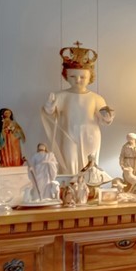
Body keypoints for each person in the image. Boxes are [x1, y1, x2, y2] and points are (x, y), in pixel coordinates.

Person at [42, 43, 114, 175]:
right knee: (70, 161)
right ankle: (72, 188)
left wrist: (107, 118)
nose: (78, 80)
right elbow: (50, 114)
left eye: (83, 77)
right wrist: (49, 107)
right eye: (73, 77)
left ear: (90, 77)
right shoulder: (61, 96)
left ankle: (90, 187)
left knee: (90, 163)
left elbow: (103, 118)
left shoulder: (96, 98)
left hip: (91, 135)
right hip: (70, 134)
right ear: (66, 76)